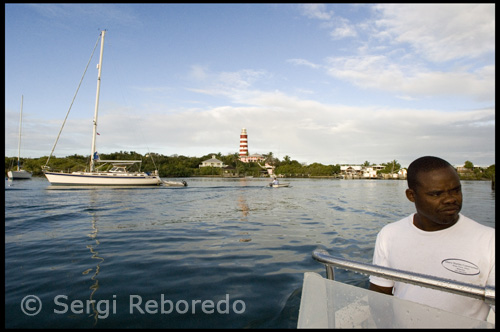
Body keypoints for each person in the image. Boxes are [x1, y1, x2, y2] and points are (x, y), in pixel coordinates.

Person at [369, 156, 495, 321]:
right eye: (436, 194)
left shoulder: (489, 240)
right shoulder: (389, 234)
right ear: (411, 195)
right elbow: (380, 296)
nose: (451, 199)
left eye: (456, 190)